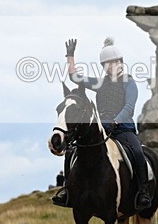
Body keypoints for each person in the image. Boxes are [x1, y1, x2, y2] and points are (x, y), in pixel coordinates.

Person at [51, 37, 152, 211]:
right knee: (71, 152)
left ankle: (143, 191)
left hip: (123, 128)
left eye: (113, 62)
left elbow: (129, 106)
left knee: (137, 151)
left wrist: (116, 121)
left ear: (120, 62)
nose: (110, 66)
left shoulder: (129, 82)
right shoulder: (100, 82)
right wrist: (70, 55)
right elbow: (75, 77)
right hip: (102, 129)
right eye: (106, 64)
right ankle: (68, 190)